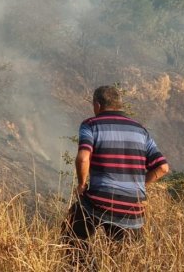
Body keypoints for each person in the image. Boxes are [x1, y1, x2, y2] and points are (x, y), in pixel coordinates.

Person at [64, 85, 169, 255]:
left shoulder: (91, 124)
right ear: (119, 104)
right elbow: (163, 167)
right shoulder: (141, 130)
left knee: (71, 235)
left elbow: (83, 158)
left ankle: (84, 267)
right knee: (121, 257)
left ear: (97, 105)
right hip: (132, 208)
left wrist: (81, 184)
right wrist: (138, 185)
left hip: (99, 201)